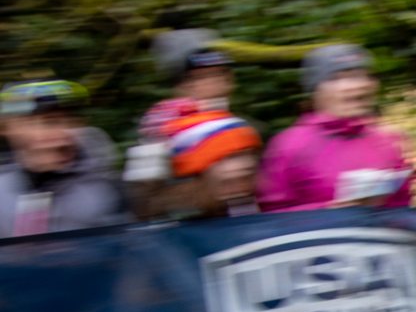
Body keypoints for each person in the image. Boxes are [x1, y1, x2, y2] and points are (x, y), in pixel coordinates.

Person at [257, 44, 413, 212]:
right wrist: (328, 212)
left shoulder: (389, 139)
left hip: (382, 236)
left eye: (363, 76)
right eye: (339, 78)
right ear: (316, 90)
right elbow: (270, 216)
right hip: (323, 237)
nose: (358, 85)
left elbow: (403, 204)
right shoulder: (288, 145)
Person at [0, 79, 129, 237]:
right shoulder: (4, 190)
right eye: (49, 123)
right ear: (9, 127)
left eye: (70, 122)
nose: (65, 134)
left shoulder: (104, 186)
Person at [132, 109, 263, 221]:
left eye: (250, 154)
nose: (248, 164)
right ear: (198, 170)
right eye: (231, 157)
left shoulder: (246, 202)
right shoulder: (171, 220)